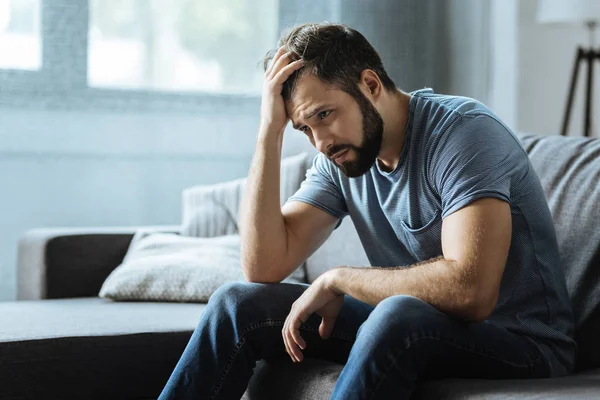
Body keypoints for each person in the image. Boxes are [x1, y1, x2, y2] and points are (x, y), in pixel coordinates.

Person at [158, 22, 576, 400]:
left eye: (325, 115)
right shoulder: (341, 156)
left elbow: (471, 291)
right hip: (415, 326)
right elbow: (263, 266)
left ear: (371, 84)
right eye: (305, 128)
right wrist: (269, 131)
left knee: (397, 312)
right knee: (237, 304)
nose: (320, 141)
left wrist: (341, 279)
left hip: (524, 343)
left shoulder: (463, 134)